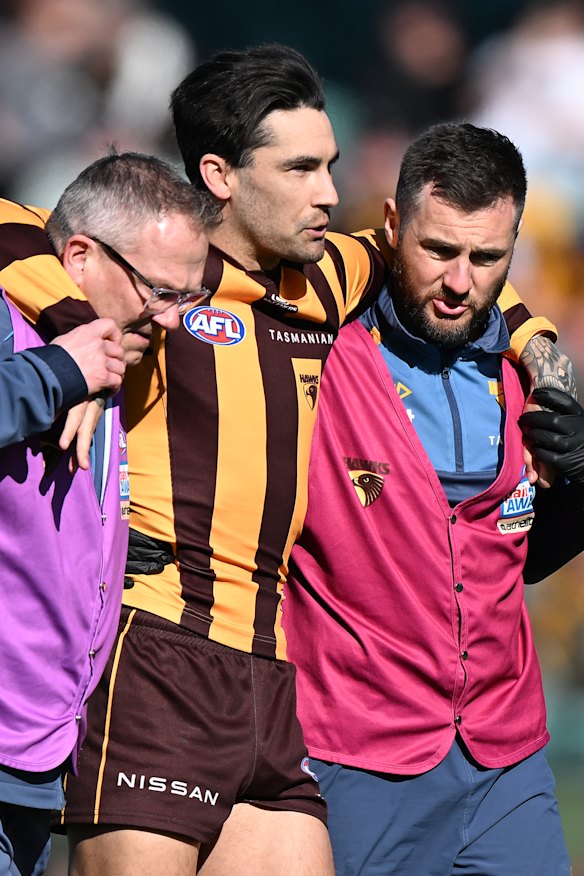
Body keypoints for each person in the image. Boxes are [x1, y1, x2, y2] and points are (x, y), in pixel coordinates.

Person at [1, 47, 572, 876]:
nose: (328, 194)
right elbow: (18, 219)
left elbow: (455, 260)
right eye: (301, 168)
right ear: (221, 175)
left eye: (332, 166)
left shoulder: (329, 276)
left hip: (271, 679)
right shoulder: (166, 279)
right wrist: (64, 320)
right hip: (157, 649)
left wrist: (534, 339)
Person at [282, 122, 577, 875]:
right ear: (390, 225)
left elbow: (523, 559)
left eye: (487, 258)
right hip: (358, 755)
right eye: (438, 250)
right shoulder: (319, 352)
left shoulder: (528, 381)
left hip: (505, 757)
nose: (460, 281)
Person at [0, 151, 210, 876]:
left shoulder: (117, 360)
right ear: (79, 257)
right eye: (160, 290)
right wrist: (57, 374)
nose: (175, 319)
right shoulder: (16, 329)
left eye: (189, 296)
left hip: (37, 757)